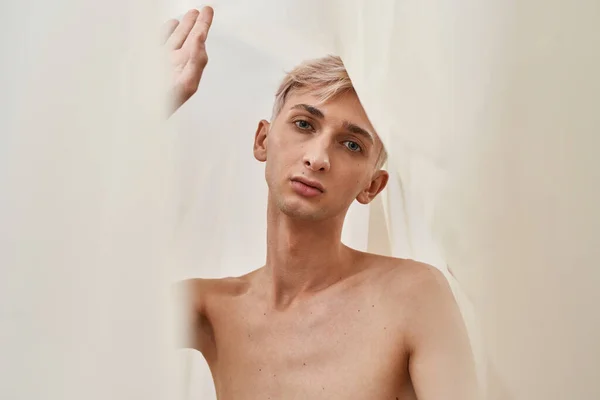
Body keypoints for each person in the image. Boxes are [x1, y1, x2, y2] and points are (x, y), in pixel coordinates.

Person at [167, 7, 478, 400]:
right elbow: (74, 318)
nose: (318, 157)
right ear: (263, 140)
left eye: (351, 144)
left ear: (373, 185)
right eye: (304, 124)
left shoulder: (414, 295)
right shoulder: (209, 308)